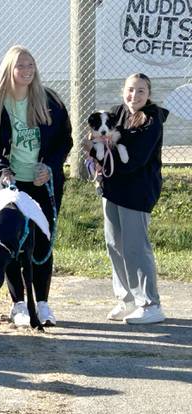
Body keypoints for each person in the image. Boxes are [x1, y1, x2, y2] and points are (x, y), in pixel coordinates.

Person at [0, 45, 72, 327]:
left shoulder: (49, 100)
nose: (27, 71)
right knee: (12, 244)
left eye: (31, 65)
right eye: (21, 66)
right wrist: (2, 171)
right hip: (10, 188)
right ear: (9, 69)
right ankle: (19, 305)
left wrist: (50, 167)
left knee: (41, 243)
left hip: (43, 183)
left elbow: (65, 140)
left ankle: (42, 303)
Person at [85, 73, 167, 325]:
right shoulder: (116, 113)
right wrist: (93, 154)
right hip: (112, 190)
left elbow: (134, 160)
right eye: (131, 90)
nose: (135, 95)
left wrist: (102, 157)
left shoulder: (151, 121)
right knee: (115, 245)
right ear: (124, 90)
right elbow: (95, 139)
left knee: (135, 247)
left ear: (149, 94)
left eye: (141, 91)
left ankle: (150, 304)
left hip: (138, 192)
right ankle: (127, 298)